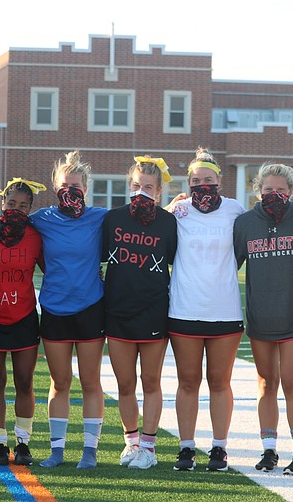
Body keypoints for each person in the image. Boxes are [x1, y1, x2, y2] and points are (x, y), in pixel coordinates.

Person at [233, 163, 293, 475]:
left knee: (292, 382)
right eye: (269, 190)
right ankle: (269, 450)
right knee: (266, 383)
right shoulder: (244, 223)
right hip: (260, 316)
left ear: (291, 192)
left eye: (281, 190)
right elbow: (225, 265)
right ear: (258, 190)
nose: (274, 195)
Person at [166, 148, 245, 472]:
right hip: (184, 308)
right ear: (188, 183)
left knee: (219, 381)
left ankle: (219, 448)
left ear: (219, 180)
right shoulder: (180, 210)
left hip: (224, 310)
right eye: (196, 180)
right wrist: (169, 208)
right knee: (187, 381)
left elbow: (242, 250)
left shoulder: (235, 210)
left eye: (208, 180)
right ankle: (186, 448)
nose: (202, 185)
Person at [31, 150, 108, 470]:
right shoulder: (42, 218)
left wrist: (176, 206)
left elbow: (140, 220)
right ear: (54, 187)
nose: (70, 192)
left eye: (76, 186)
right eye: (64, 186)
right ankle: (58, 450)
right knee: (59, 382)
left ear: (86, 189)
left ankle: (89, 450)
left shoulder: (100, 216)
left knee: (91, 382)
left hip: (91, 307)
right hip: (54, 308)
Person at [103, 156, 177, 470]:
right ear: (129, 186)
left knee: (150, 381)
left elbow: (175, 260)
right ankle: (131, 443)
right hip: (117, 311)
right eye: (136, 185)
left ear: (159, 192)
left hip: (153, 311)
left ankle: (149, 447)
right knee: (123, 384)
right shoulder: (112, 219)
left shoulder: (168, 221)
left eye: (148, 187)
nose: (141, 191)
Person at [0, 178, 46, 467]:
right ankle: (0, 443)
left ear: (30, 209)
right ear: (2, 204)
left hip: (24, 316)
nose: (16, 209)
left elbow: (55, 268)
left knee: (25, 382)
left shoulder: (35, 237)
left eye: (23, 205)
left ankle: (23, 442)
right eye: (12, 203)